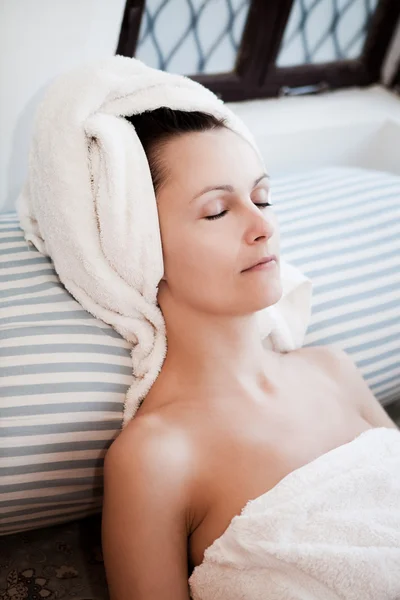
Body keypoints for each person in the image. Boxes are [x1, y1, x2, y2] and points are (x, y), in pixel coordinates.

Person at [100, 108, 398, 600]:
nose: (262, 225)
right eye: (217, 210)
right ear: (139, 247)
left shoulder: (334, 371)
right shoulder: (156, 457)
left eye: (262, 197)